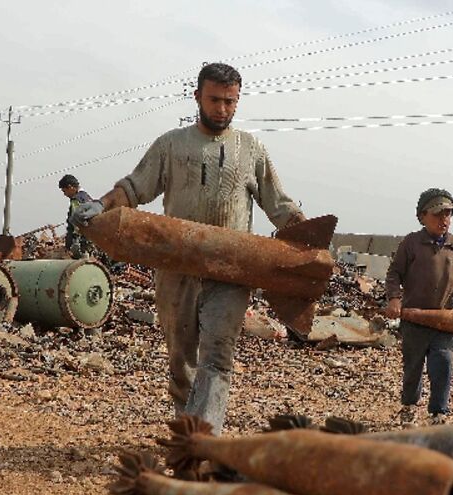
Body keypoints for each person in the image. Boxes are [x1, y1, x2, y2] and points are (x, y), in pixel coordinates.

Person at [72, 62, 307, 431]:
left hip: (231, 270)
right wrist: (100, 206)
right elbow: (135, 188)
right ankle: (187, 432)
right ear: (197, 96)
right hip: (176, 267)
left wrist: (310, 244)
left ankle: (205, 439)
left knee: (217, 355)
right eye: (215, 100)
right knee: (182, 358)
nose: (223, 109)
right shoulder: (171, 145)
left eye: (231, 102)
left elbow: (279, 204)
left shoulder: (251, 149)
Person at [383, 188, 453, 426]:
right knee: (413, 367)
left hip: (443, 320)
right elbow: (394, 273)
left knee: (443, 362)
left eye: (448, 214)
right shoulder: (411, 243)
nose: (443, 219)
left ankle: (439, 412)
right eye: (438, 214)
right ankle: (408, 406)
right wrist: (394, 298)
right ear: (422, 216)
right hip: (414, 322)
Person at [59, 174, 98, 260]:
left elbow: (77, 222)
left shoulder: (77, 200)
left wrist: (69, 245)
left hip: (82, 240)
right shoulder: (87, 198)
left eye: (64, 191)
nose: (65, 194)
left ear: (71, 187)